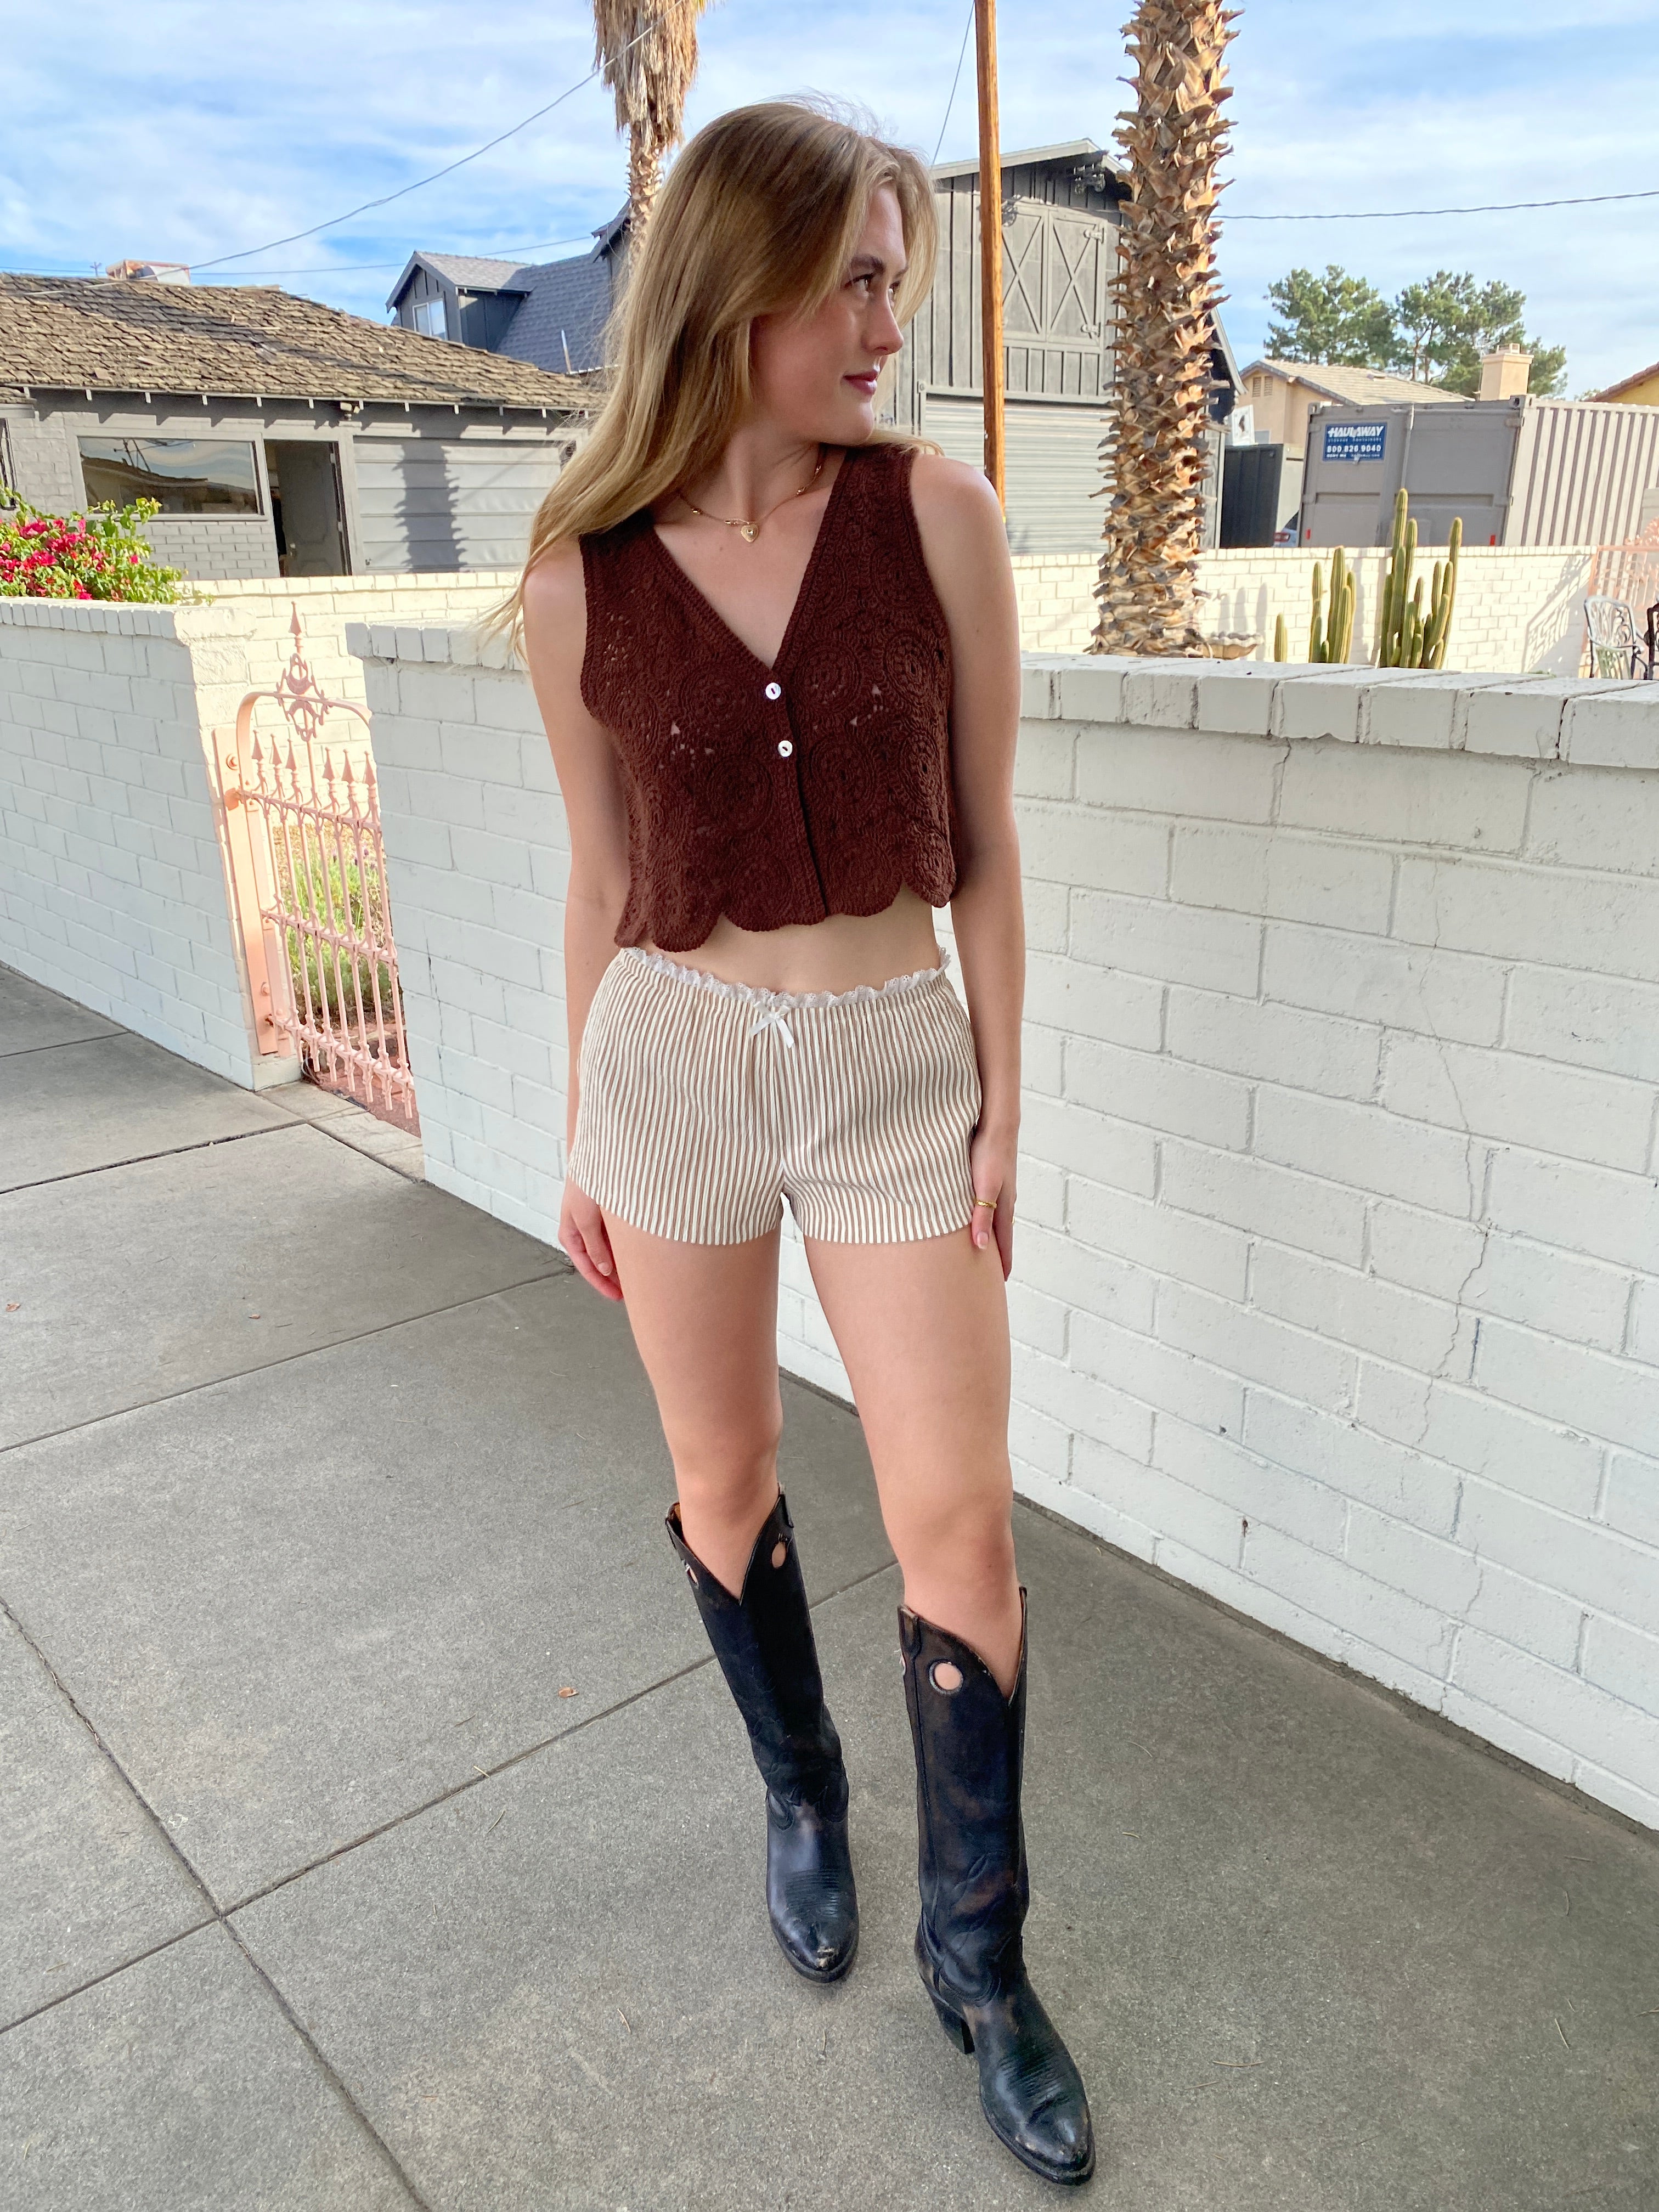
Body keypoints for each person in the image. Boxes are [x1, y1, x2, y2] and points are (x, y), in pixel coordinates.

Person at [509, 100, 1093, 2188]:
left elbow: (995, 849)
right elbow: (598, 880)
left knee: (961, 1525)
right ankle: (803, 1795)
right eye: (849, 273)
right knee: (723, 1473)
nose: (881, 318)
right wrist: (586, 1114)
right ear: (729, 280)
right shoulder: (577, 578)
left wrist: (1006, 1090)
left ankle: (981, 1962)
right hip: (673, 1062)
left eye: (894, 277)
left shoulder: (936, 516)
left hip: (887, 1065)